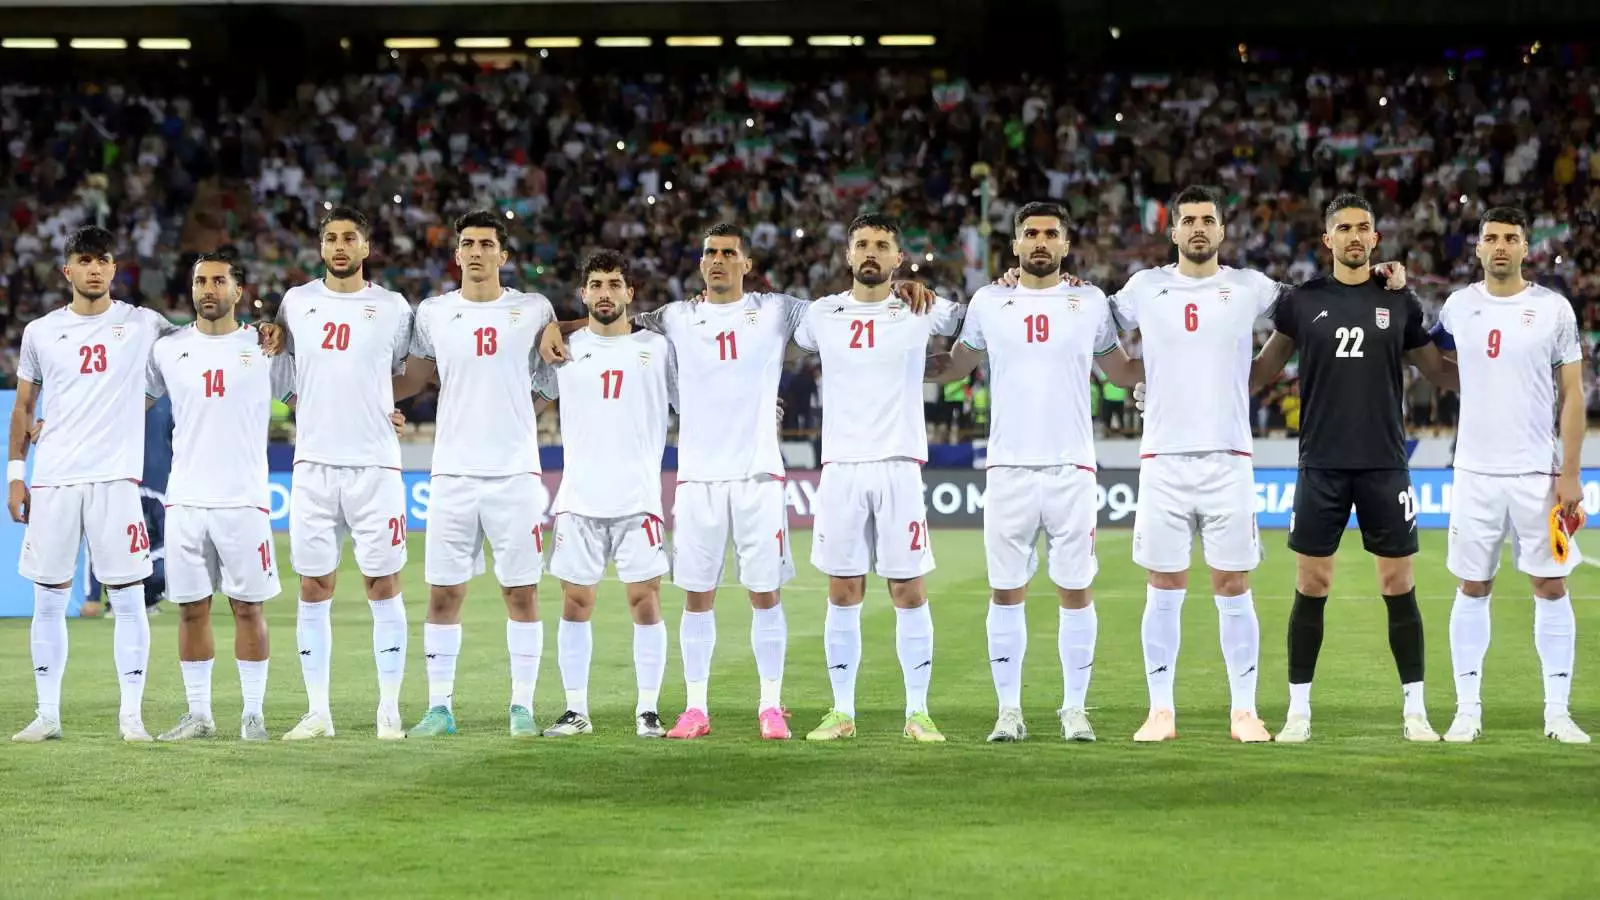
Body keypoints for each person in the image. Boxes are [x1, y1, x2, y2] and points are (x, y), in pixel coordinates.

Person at [538, 226, 934, 741]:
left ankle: (770, 705)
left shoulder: (779, 310)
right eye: (711, 253)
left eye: (730, 253)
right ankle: (695, 708)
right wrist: (553, 325)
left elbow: (850, 304)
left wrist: (899, 287)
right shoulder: (675, 318)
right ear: (701, 263)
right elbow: (610, 322)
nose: (719, 260)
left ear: (747, 263)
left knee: (764, 594)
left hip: (759, 476)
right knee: (696, 596)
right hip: (698, 478)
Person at [1116, 186, 1409, 744]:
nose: (1198, 228)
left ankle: (1244, 711)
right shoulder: (1143, 288)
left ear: (1223, 231)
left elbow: (1324, 302)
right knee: (1164, 583)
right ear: (1172, 232)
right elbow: (1093, 327)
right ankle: (1160, 711)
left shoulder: (1252, 287)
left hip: (1229, 457)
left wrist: (1381, 275)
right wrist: (1135, 380)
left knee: (1233, 583)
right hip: (1162, 457)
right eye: (1188, 221)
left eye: (1208, 220)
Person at [8, 227, 281, 743]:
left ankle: (131, 717)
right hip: (54, 480)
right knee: (48, 599)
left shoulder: (145, 326)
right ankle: (47, 714)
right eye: (83, 262)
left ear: (115, 269)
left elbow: (208, 336)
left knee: (130, 598)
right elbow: (23, 406)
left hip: (117, 481)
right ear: (68, 271)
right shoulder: (41, 332)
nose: (93, 270)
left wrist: (267, 328)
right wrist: (17, 473)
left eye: (102, 261)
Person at [931, 201, 1143, 743]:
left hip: (1072, 467)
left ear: (1066, 245)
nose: (1042, 242)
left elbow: (1119, 371)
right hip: (1008, 469)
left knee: (1076, 590)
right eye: (1032, 234)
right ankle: (1009, 711)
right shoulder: (989, 301)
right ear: (1016, 245)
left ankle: (1074, 708)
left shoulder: (1088, 301)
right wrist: (895, 346)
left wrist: (1175, 371)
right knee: (1006, 591)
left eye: (1051, 233)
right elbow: (955, 366)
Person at [1250, 193, 1458, 743]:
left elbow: (1439, 373)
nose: (1354, 236)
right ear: (1327, 239)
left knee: (1398, 584)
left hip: (1385, 463)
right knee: (1311, 584)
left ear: (1376, 237)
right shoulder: (1301, 301)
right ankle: (1299, 712)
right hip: (1320, 462)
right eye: (1343, 228)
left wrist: (1505, 372)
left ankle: (1415, 710)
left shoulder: (1402, 302)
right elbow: (1259, 374)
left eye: (1363, 227)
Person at [791, 213, 965, 743]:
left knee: (908, 588)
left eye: (882, 245)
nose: (871, 252)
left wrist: (1009, 283)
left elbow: (983, 320)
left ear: (897, 258)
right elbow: (776, 328)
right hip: (841, 466)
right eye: (862, 244)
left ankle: (918, 713)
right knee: (842, 589)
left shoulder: (922, 308)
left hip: (899, 465)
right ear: (848, 255)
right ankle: (841, 712)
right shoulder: (821, 314)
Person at [1428, 207, 1590, 744]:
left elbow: (1573, 395)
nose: (1501, 246)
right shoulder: (1457, 308)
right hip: (1474, 471)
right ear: (1477, 248)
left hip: (1536, 475)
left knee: (1550, 584)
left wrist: (1570, 475)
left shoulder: (1553, 310)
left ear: (1526, 248)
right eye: (1492, 238)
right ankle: (1467, 710)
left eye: (1511, 238)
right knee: (1472, 586)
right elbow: (1432, 361)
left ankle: (1558, 712)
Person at [394, 210, 555, 739]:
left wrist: (522, 412)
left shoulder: (532, 309)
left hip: (514, 475)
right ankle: (439, 707)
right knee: (444, 594)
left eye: (488, 243)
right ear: (457, 253)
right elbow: (412, 379)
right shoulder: (435, 313)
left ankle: (522, 707)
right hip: (453, 476)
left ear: (503, 256)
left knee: (522, 594)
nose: (478, 251)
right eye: (468, 243)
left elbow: (555, 374)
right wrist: (360, 400)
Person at [276, 207, 414, 742]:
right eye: (331, 238)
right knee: (313, 585)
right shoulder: (297, 302)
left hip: (375, 464)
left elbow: (409, 371)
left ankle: (389, 709)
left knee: (382, 582)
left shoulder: (393, 308)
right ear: (321, 247)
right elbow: (283, 370)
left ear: (366, 247)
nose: (339, 246)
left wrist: (387, 405)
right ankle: (317, 711)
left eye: (349, 238)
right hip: (313, 465)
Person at [538, 250, 678, 739]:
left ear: (629, 293)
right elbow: (523, 400)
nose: (604, 292)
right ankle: (576, 709)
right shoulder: (565, 349)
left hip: (639, 498)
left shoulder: (658, 349)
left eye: (614, 284)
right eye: (596, 284)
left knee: (645, 600)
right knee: (575, 602)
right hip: (578, 498)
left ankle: (648, 710)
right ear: (583, 293)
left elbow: (696, 400)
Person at [147, 253, 283, 742]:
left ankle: (252, 714)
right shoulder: (168, 350)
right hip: (185, 500)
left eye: (218, 281)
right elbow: (130, 404)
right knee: (191, 608)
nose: (208, 288)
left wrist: (384, 414)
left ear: (238, 290)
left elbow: (312, 395)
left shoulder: (265, 347)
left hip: (243, 501)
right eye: (200, 280)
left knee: (248, 608)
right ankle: (199, 714)